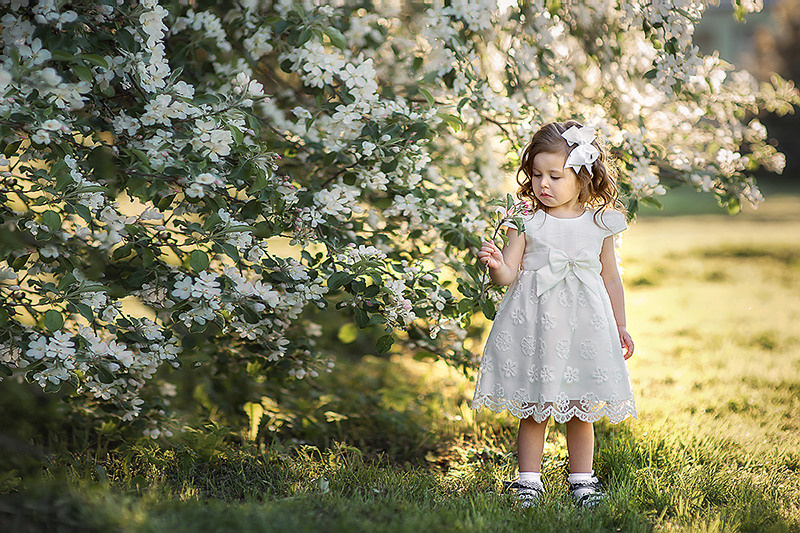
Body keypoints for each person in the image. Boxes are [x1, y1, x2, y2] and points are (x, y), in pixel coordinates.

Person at [472, 120, 636, 509]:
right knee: (536, 405)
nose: (543, 184)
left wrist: (621, 325)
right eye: (536, 174)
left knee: (581, 407)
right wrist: (496, 264)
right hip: (537, 324)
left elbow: (611, 278)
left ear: (583, 177)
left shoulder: (601, 223)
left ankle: (582, 480)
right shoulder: (527, 220)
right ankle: (528, 481)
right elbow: (508, 276)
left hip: (585, 326)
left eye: (555, 176)